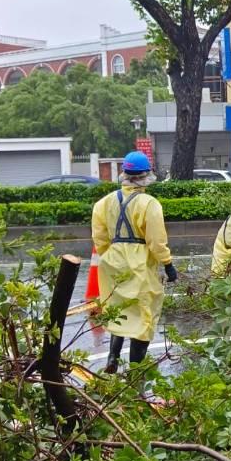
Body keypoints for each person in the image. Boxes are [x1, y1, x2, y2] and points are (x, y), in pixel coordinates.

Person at [91, 151, 177, 376]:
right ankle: (135, 372)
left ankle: (112, 357)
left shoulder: (104, 203)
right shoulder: (150, 204)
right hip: (139, 263)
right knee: (143, 316)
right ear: (146, 175)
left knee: (120, 311)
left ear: (125, 174)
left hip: (111, 261)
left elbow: (99, 238)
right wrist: (167, 263)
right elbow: (157, 241)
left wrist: (110, 255)